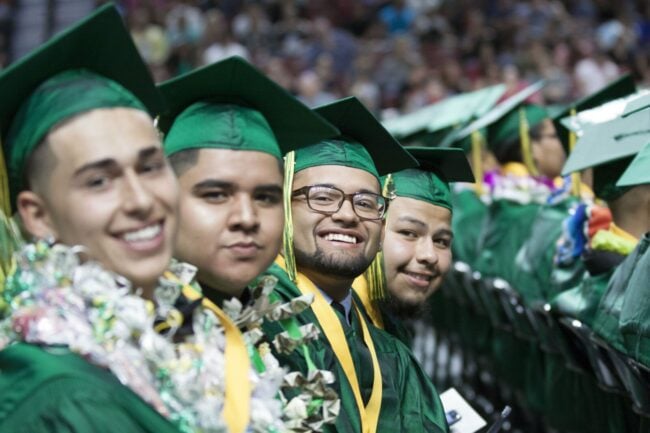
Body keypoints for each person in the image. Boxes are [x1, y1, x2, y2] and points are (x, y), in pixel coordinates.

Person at [0, 5, 183, 432]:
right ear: (37, 216)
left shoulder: (191, 335)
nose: (141, 200)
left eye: (151, 166)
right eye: (99, 181)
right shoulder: (61, 397)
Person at [156, 56, 341, 430]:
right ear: (161, 201)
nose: (247, 217)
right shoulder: (130, 334)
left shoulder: (291, 326)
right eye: (216, 194)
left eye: (266, 197)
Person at [261, 96, 449, 433]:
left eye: (365, 202)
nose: (347, 214)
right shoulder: (265, 325)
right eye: (322, 197)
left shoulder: (387, 348)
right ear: (283, 208)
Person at [352, 146, 474, 345]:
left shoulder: (390, 328)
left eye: (441, 241)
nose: (430, 255)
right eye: (408, 233)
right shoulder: (335, 330)